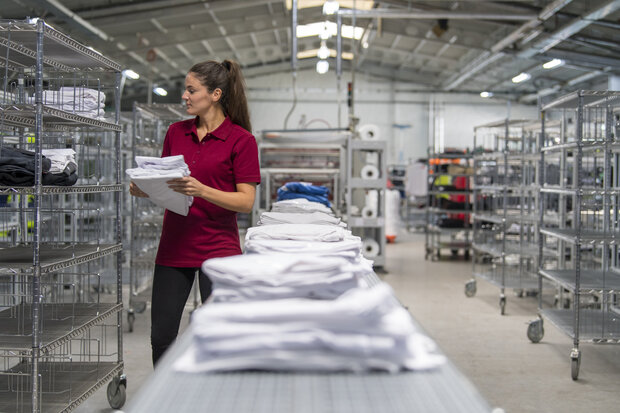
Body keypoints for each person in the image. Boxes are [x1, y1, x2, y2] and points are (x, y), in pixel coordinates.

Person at [129, 60, 261, 365]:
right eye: (185, 90)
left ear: (215, 94)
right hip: (174, 247)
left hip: (219, 250)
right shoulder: (176, 132)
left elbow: (245, 202)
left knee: (220, 335)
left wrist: (201, 190)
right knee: (161, 336)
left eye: (191, 90)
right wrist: (146, 188)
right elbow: (167, 183)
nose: (185, 96)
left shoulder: (241, 140)